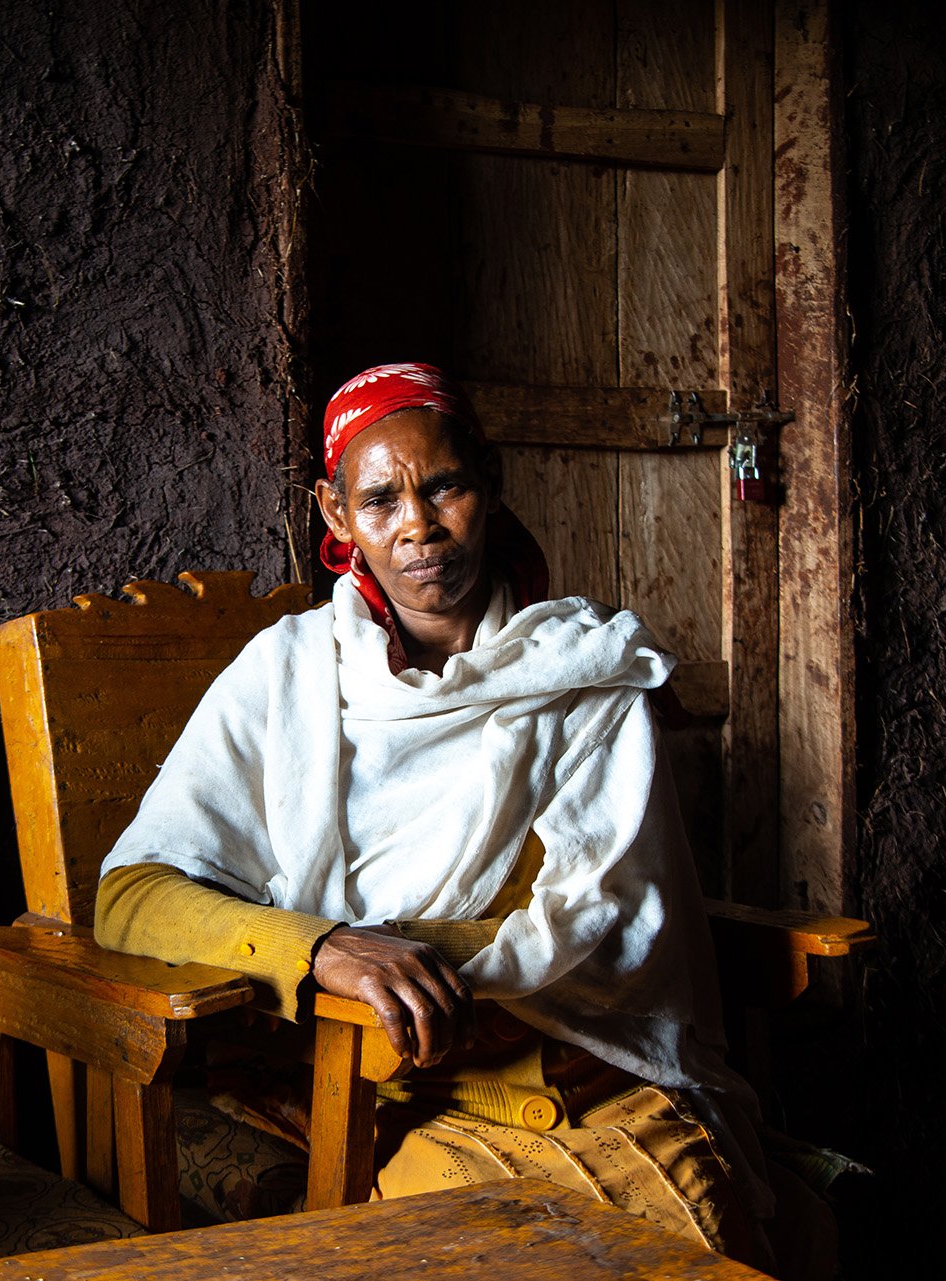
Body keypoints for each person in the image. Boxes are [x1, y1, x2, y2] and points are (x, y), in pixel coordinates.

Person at [94, 362, 833, 1276]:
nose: (417, 526)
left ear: (489, 481)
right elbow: (131, 896)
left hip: (595, 1075)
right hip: (388, 1089)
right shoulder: (285, 675)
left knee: (706, 1253)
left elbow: (608, 925)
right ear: (335, 516)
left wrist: (410, 944)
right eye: (378, 501)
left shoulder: (584, 671)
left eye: (444, 485)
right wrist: (323, 948)